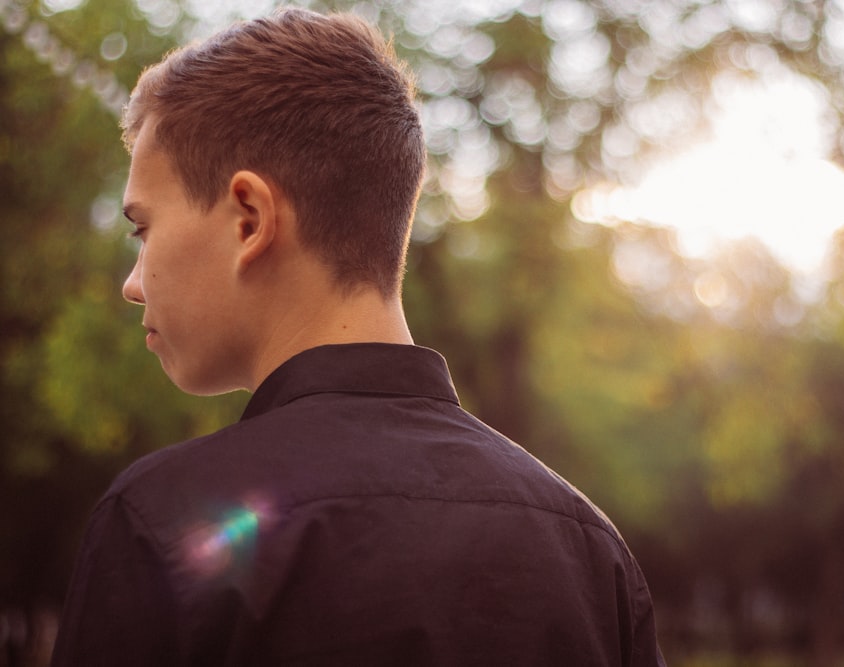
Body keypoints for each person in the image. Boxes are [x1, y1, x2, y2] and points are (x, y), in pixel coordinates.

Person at [51, 8, 665, 666]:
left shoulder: (162, 522)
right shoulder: (589, 552)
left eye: (141, 229)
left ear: (249, 219)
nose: (133, 282)